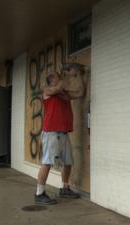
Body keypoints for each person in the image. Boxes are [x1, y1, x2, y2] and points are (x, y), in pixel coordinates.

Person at [35, 64, 86, 205]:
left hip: (63, 133)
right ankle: (39, 193)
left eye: (59, 75)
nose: (60, 77)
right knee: (47, 162)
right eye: (57, 76)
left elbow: (81, 92)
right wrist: (70, 74)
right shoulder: (47, 90)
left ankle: (64, 187)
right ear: (51, 80)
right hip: (51, 132)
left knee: (68, 162)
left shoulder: (64, 94)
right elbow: (59, 87)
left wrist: (80, 75)